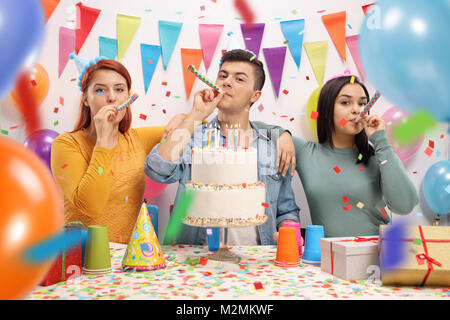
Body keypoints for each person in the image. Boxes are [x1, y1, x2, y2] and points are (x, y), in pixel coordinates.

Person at [145, 49, 300, 246]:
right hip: (198, 259)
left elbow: (286, 210)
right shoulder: (194, 139)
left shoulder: (272, 148)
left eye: (239, 79)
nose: (227, 82)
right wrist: (195, 114)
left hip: (256, 262)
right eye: (223, 76)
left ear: (255, 96)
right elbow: (156, 170)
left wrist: (288, 230)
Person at [255, 74, 419, 239]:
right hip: (327, 259)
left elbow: (405, 206)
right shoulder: (306, 152)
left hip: (376, 257)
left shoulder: (377, 157)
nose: (357, 109)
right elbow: (253, 127)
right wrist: (283, 134)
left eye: (362, 103)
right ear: (326, 110)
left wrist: (381, 140)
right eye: (345, 102)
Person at [51, 58, 180, 244]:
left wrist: (189, 115)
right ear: (85, 99)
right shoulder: (66, 144)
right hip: (82, 260)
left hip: (130, 261)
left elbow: (193, 129)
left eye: (119, 89)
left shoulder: (137, 139)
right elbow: (91, 206)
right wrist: (104, 142)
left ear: (128, 97)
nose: (112, 98)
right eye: (100, 90)